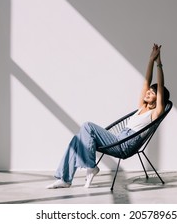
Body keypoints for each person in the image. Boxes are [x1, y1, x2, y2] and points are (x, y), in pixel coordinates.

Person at [46, 44, 170, 189]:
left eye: (153, 92)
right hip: (119, 139)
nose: (148, 92)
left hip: (125, 145)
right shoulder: (142, 107)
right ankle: (65, 179)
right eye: (149, 91)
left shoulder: (154, 114)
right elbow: (145, 82)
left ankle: (91, 166)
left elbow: (160, 87)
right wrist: (150, 60)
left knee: (87, 126)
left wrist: (159, 63)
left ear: (158, 98)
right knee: (77, 139)